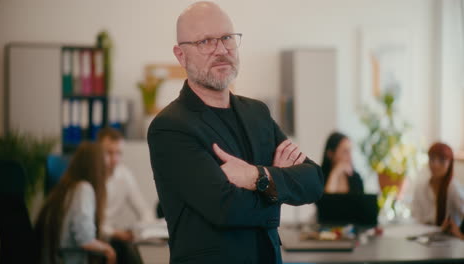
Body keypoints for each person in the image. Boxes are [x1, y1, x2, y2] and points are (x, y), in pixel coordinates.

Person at [147, 2, 324, 264]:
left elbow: (314, 181)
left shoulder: (257, 113)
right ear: (180, 55)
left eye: (227, 38)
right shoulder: (170, 127)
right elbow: (227, 209)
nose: (221, 50)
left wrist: (256, 176)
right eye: (205, 41)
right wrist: (279, 185)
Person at [35, 142, 116, 264]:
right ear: (96, 166)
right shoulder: (83, 189)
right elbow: (85, 240)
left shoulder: (67, 187)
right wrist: (108, 250)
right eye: (104, 165)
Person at [98, 127, 153, 264]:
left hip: (114, 235)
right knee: (125, 249)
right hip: (96, 237)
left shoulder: (124, 175)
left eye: (118, 153)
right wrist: (116, 233)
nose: (115, 159)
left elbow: (144, 209)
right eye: (109, 153)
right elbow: (90, 224)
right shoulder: (90, 179)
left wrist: (142, 229)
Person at [412, 142, 464, 239]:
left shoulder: (453, 188)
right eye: (432, 159)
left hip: (449, 241)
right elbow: (416, 217)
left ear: (450, 163)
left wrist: (456, 230)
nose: (435, 165)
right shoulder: (421, 187)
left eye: (441, 160)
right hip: (424, 238)